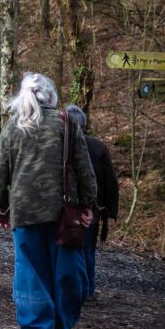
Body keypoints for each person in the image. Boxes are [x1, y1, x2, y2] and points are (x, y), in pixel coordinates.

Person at [0, 73, 96, 329]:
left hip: (24, 210)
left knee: (30, 270)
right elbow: (84, 169)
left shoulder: (13, 127)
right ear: (51, 96)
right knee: (67, 271)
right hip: (64, 211)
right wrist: (88, 204)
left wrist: (0, 207)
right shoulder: (67, 122)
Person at [64, 104, 119, 301]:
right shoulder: (98, 146)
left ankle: (72, 289)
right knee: (87, 249)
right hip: (92, 208)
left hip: (66, 207)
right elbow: (110, 181)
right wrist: (110, 210)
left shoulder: (60, 144)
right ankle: (86, 289)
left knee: (67, 248)